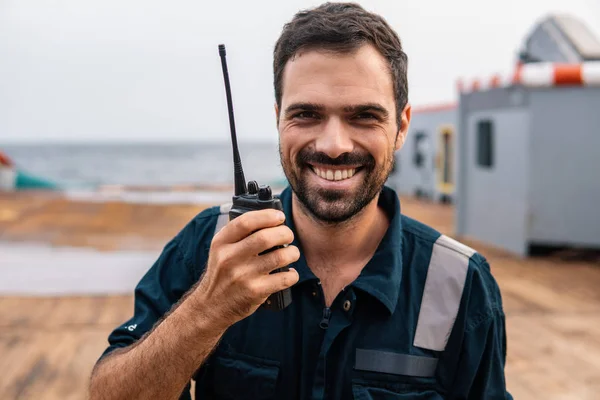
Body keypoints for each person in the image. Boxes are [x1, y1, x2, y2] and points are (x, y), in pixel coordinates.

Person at [89, 2, 512, 399]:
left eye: (363, 116)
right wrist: (208, 310)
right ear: (278, 119)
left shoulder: (459, 283)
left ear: (401, 126)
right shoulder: (210, 244)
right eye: (307, 114)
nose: (332, 145)